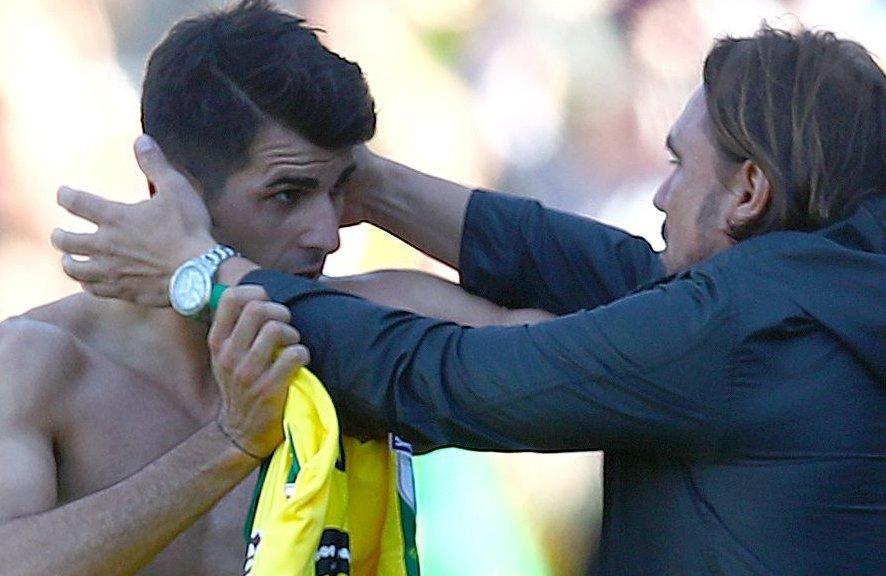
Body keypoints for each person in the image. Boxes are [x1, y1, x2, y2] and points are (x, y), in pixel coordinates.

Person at [55, 26, 886, 575]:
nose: (659, 193)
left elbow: (444, 378)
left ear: (752, 192)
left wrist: (203, 276)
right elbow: (606, 271)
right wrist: (368, 181)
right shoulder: (864, 298)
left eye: (681, 167)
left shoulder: (743, 330)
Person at [1, 2, 545, 575]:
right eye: (287, 194)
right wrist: (229, 445)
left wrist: (383, 186)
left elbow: (607, 354)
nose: (328, 234)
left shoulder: (370, 323)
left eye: (339, 188)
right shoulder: (42, 361)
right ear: (173, 188)